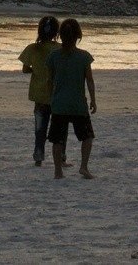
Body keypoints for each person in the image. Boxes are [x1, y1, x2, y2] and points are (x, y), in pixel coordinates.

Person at [45, 17, 96, 180]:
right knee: (87, 136)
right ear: (78, 36)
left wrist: (49, 99)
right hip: (77, 104)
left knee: (57, 139)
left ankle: (58, 171)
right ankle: (83, 167)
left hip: (59, 103)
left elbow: (50, 80)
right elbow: (89, 80)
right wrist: (93, 99)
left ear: (60, 36)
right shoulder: (84, 57)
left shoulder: (54, 56)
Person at [18, 15, 62, 165]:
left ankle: (38, 155)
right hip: (56, 94)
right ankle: (61, 156)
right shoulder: (59, 48)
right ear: (57, 32)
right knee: (59, 127)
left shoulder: (32, 48)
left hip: (39, 94)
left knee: (40, 128)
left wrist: (36, 70)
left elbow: (25, 69)